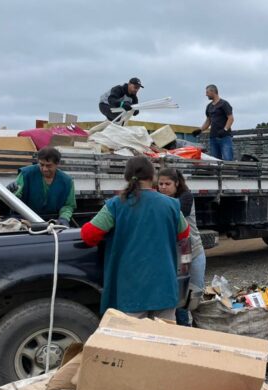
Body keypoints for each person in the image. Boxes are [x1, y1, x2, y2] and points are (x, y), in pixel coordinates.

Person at [81, 156, 190, 319]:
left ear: (126, 176)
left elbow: (89, 236)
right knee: (166, 338)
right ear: (152, 177)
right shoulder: (171, 204)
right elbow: (184, 234)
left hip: (132, 290)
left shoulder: (115, 204)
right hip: (164, 287)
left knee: (134, 340)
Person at [158, 168, 205, 326]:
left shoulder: (185, 197)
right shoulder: (159, 200)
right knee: (179, 297)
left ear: (177, 184)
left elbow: (178, 212)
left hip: (194, 250)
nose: (163, 187)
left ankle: (201, 327)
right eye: (160, 184)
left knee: (195, 294)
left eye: (167, 184)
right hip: (174, 255)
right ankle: (184, 328)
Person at [9, 147, 76, 226]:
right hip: (25, 219)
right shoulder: (26, 174)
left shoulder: (67, 181)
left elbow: (68, 205)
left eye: (48, 166)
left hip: (51, 221)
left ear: (57, 163)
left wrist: (64, 218)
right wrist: (11, 192)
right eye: (41, 164)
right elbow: (15, 199)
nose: (44, 169)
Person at [192, 85, 234, 161]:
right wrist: (200, 130)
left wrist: (225, 129)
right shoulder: (209, 106)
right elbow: (208, 120)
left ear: (213, 91)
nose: (206, 94)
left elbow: (231, 118)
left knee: (227, 159)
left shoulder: (224, 104)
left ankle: (229, 173)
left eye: (207, 92)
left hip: (224, 137)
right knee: (215, 161)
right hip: (213, 137)